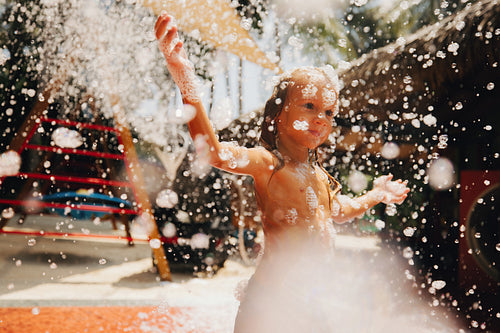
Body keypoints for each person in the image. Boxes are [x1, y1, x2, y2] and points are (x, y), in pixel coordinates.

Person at [155, 12, 410, 332]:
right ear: (278, 115)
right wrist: (185, 80)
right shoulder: (268, 163)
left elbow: (341, 211)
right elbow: (216, 153)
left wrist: (376, 194)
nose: (321, 118)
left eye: (328, 111)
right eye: (309, 106)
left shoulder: (319, 175)